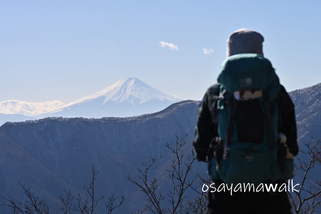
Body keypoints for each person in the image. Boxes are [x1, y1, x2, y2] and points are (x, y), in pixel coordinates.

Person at [192, 29, 299, 214]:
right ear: (260, 53)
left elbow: (200, 147)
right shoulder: (277, 92)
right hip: (271, 187)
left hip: (226, 189)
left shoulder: (215, 93)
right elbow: (292, 146)